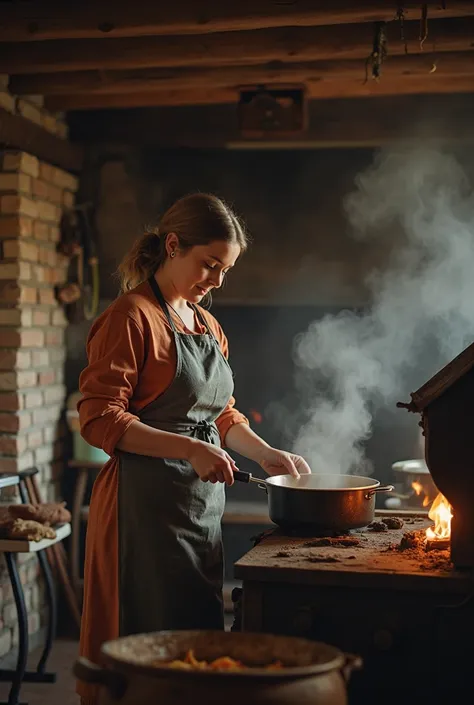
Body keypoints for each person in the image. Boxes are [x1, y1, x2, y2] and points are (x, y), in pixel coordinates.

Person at [76, 193, 311, 704]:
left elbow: (223, 415)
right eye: (209, 265)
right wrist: (187, 450)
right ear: (173, 245)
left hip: (196, 510)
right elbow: (99, 419)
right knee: (142, 646)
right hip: (140, 512)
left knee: (192, 642)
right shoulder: (130, 317)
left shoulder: (207, 326)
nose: (217, 281)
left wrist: (265, 454)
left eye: (226, 270)